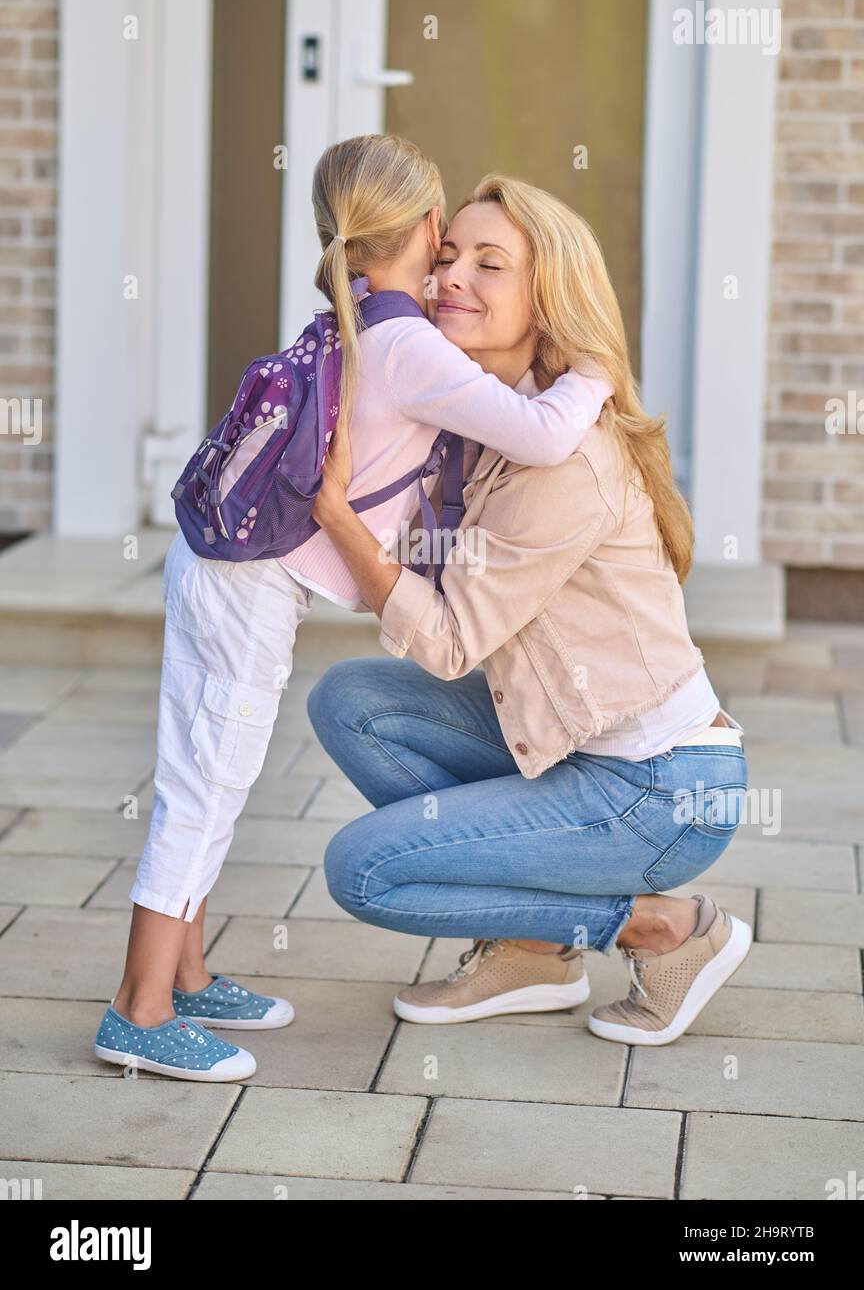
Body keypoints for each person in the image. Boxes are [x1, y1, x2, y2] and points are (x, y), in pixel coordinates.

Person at [94, 137, 610, 1082]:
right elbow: (542, 434)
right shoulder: (409, 346)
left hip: (224, 573)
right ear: (425, 228)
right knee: (204, 786)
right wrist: (599, 370)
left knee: (209, 775)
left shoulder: (356, 316)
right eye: (449, 239)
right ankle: (140, 1008)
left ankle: (189, 972)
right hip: (245, 589)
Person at [308, 173, 751, 1047]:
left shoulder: (561, 462)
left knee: (365, 871)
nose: (449, 280)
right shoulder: (495, 421)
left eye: (489, 264)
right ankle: (532, 950)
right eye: (444, 258)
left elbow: (449, 642)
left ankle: (657, 928)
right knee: (353, 702)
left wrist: (339, 522)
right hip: (573, 742)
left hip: (658, 792)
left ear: (546, 298)